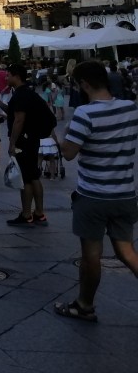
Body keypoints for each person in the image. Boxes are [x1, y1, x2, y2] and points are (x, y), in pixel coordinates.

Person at [55, 60, 138, 323]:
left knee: (91, 256)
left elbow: (69, 154)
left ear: (84, 84)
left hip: (93, 195)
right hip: (125, 193)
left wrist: (62, 137)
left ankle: (84, 305)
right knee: (127, 252)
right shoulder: (131, 108)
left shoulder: (85, 114)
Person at [0, 63, 53, 227]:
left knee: (25, 178)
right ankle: (39, 213)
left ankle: (27, 214)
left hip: (23, 142)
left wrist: (12, 144)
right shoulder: (26, 93)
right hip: (32, 138)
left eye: (8, 75)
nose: (6, 78)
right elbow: (14, 113)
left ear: (15, 76)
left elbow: (19, 120)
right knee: (33, 176)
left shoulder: (20, 95)